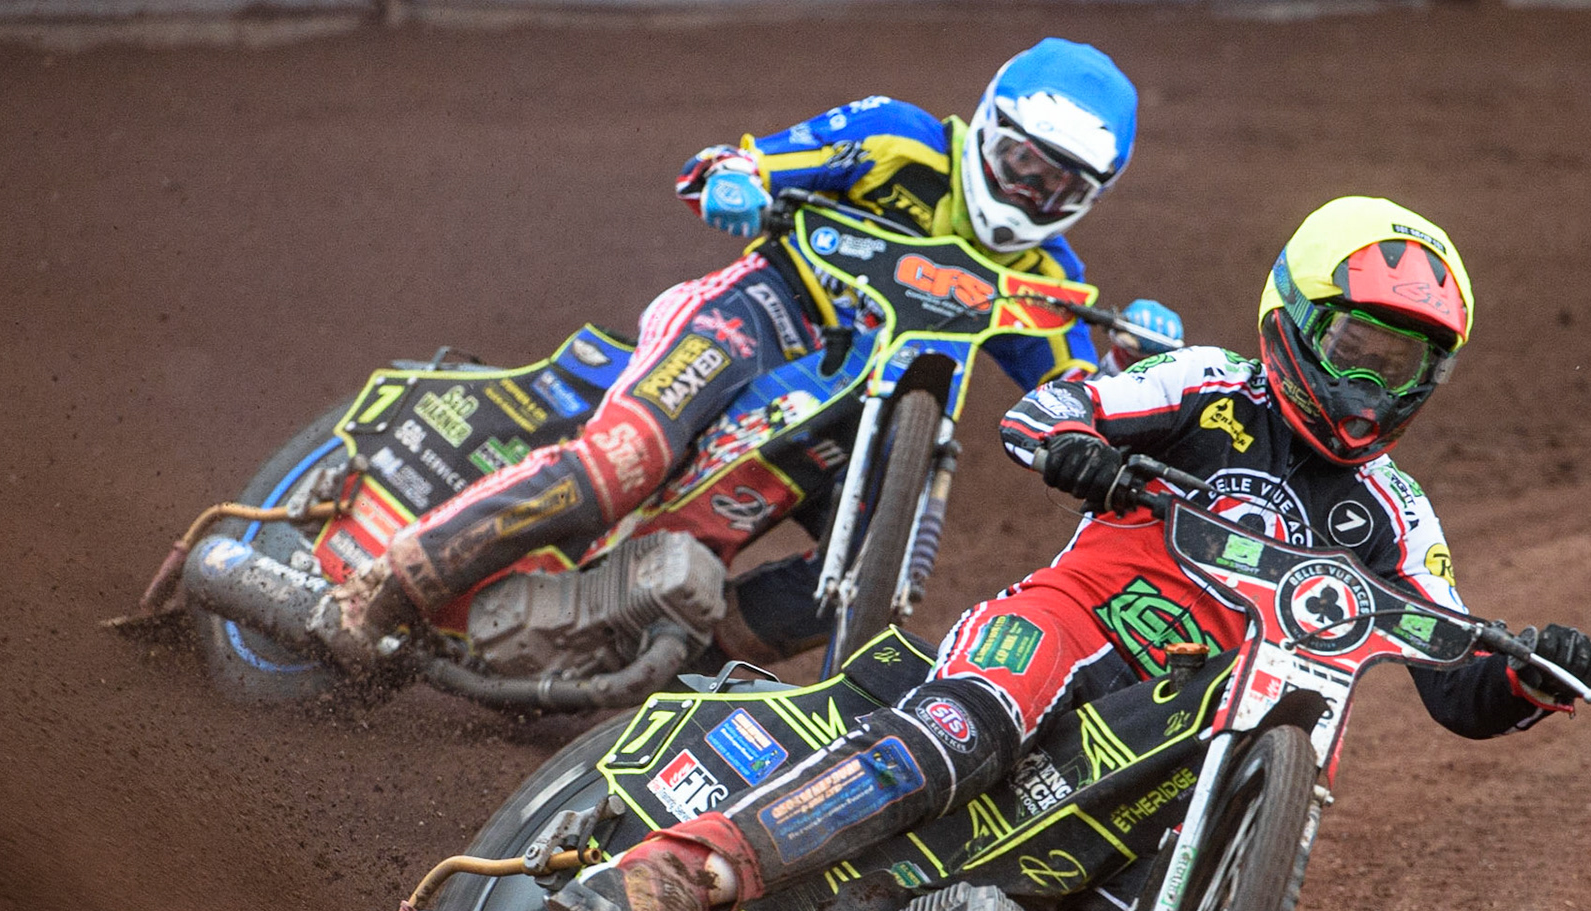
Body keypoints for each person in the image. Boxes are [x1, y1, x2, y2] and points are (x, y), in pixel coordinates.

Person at [563, 195, 1591, 911]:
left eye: (1405, 370)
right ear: (1291, 322)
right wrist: (1088, 457)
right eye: (1355, 355)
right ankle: (682, 869)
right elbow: (1053, 409)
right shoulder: (1206, 386)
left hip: (1191, 745)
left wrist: (1529, 671)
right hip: (1074, 625)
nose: (1373, 392)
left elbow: (1456, 679)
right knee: (960, 731)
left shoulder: (1395, 512)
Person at [316, 38, 1183, 671]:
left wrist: (1133, 373)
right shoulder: (897, 139)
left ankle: (621, 673)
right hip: (760, 322)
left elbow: (1077, 397)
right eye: (1021, 164)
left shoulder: (1048, 278)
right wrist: (739, 181)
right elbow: (748, 159)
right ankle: (383, 590)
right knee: (626, 461)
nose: (1030, 194)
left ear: (1087, 198)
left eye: (1058, 186)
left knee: (850, 593)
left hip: (859, 424)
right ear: (986, 126)